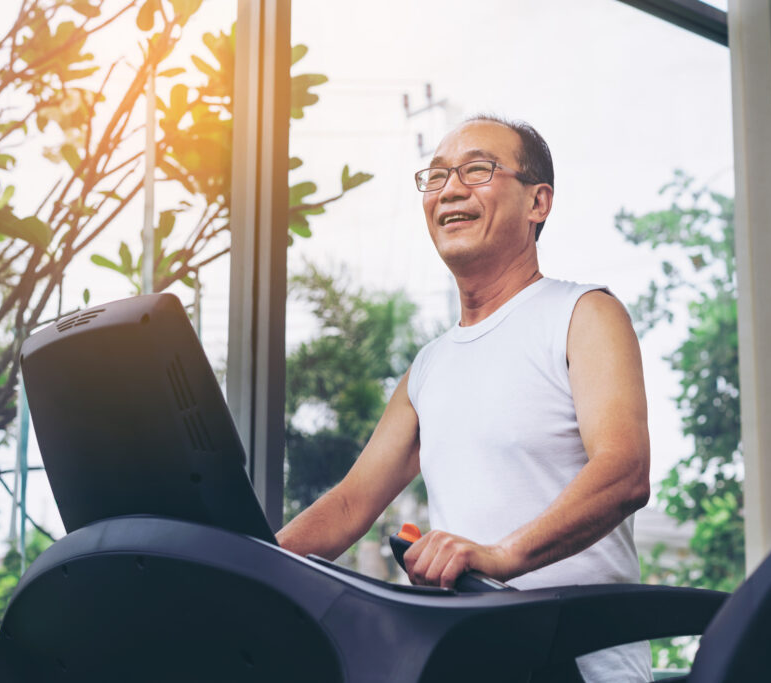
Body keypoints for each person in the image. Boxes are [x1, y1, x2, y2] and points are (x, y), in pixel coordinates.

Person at [276, 115, 652, 682]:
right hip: (480, 656)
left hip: (579, 663)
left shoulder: (584, 315)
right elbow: (351, 506)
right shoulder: (429, 367)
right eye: (435, 177)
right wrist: (249, 565)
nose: (450, 189)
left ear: (538, 203)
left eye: (478, 170)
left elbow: (625, 472)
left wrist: (501, 557)